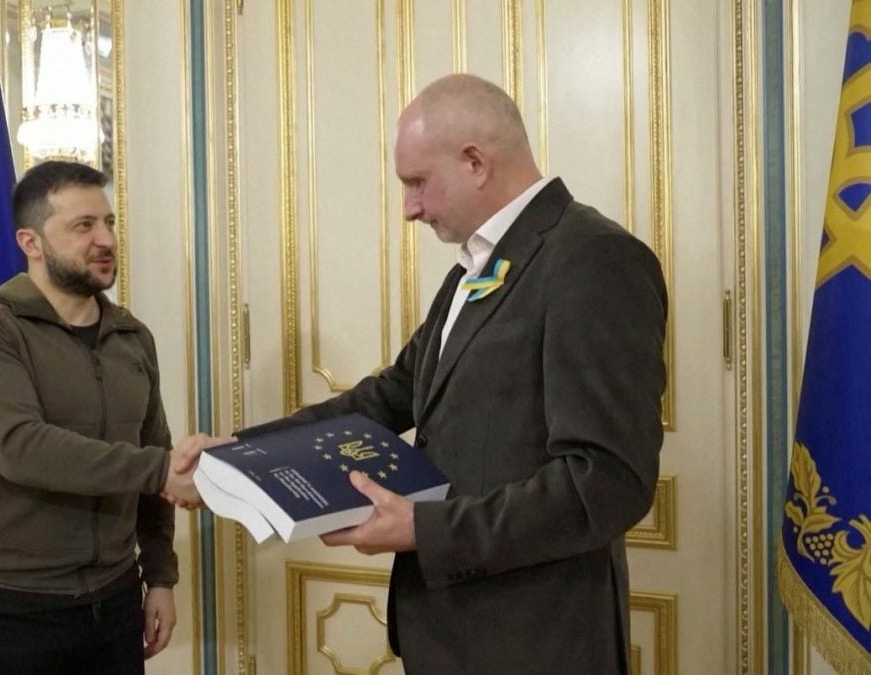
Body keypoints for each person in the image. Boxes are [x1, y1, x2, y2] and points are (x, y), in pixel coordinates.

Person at [233, 74, 667, 672]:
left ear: (475, 162)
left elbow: (607, 481)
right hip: (451, 634)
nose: (409, 208)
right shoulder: (480, 264)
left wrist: (424, 528)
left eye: (416, 183)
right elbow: (396, 394)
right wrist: (243, 455)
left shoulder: (593, 259)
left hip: (535, 640)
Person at [0, 160, 213, 674]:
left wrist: (160, 579)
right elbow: (21, 447)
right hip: (10, 607)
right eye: (83, 226)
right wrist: (161, 469)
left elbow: (155, 450)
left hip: (114, 603)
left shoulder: (133, 337)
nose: (104, 239)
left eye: (108, 222)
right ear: (31, 242)